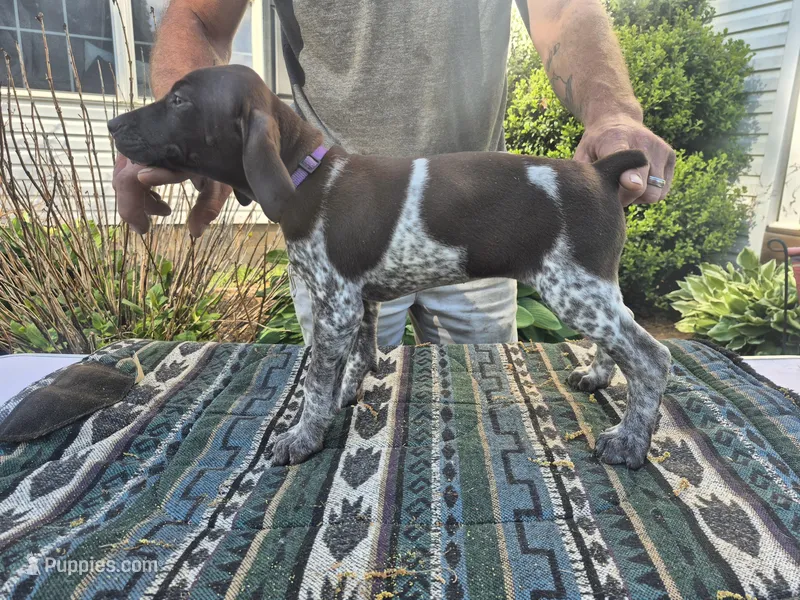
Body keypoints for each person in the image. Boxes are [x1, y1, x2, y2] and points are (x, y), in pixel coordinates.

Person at [113, 0, 676, 346]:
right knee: (345, 375)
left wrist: (612, 111)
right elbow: (197, 15)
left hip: (486, 208)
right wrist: (188, 129)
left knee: (486, 400)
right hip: (326, 209)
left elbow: (563, 9)